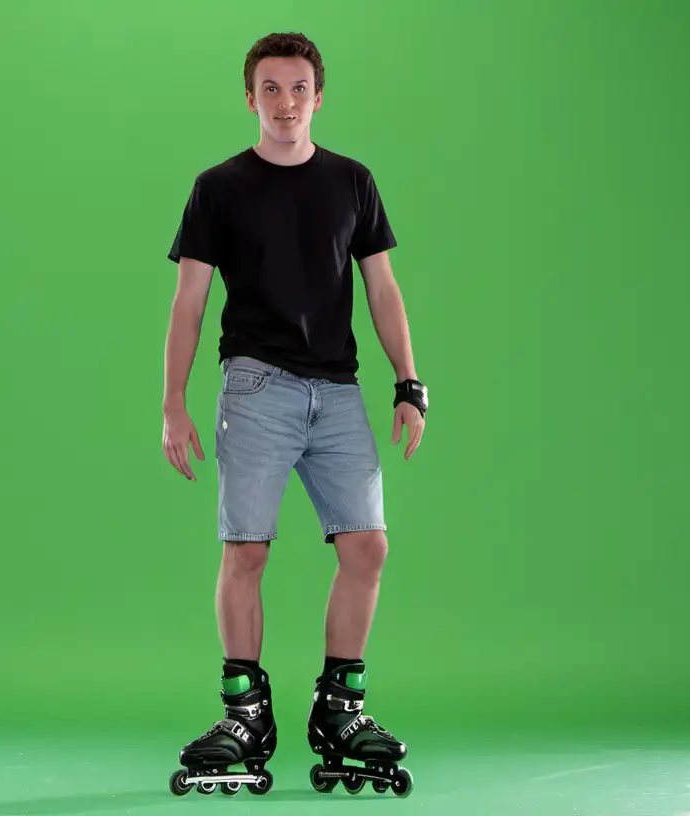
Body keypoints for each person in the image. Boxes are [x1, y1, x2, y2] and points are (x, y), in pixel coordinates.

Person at [161, 32, 426, 798]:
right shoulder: (219, 188)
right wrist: (173, 404)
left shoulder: (351, 183)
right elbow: (189, 300)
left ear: (318, 97)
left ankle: (340, 711)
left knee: (367, 547)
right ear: (251, 99)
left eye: (298, 89)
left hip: (337, 390)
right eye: (270, 90)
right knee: (246, 551)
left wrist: (409, 382)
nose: (285, 103)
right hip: (256, 387)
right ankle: (244, 715)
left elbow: (382, 287)